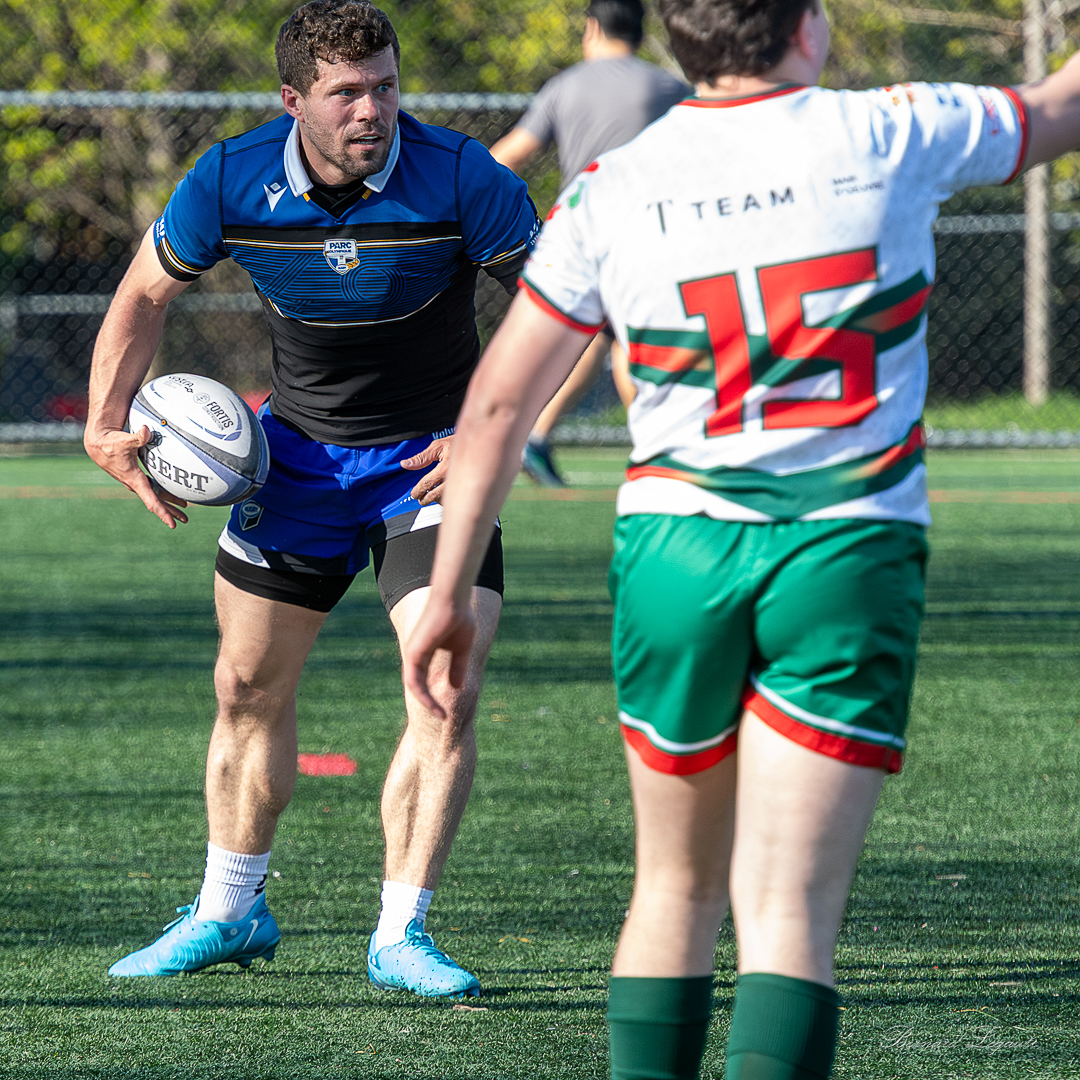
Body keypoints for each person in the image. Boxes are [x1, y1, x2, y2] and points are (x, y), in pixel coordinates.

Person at [404, 0, 1080, 1072]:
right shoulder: (890, 127)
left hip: (676, 547)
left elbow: (495, 405)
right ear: (808, 29)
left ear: (681, 41)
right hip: (844, 547)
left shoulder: (613, 185)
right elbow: (1058, 107)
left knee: (672, 888)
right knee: (789, 917)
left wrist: (445, 588)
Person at [84, 0, 540, 998]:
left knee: (445, 680)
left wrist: (488, 436)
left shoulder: (464, 176)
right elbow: (143, 294)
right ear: (294, 99)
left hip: (428, 464)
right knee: (245, 686)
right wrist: (103, 421)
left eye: (383, 85)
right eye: (344, 92)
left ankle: (402, 932)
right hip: (292, 461)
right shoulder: (231, 178)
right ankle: (228, 909)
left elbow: (563, 312)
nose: (370, 108)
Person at [489, 0, 686, 487]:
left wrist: (465, 205)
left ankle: (536, 434)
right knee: (624, 337)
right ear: (641, 33)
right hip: (650, 236)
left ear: (593, 28)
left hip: (575, 236)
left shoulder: (566, 84)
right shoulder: (670, 88)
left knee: (603, 336)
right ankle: (653, 443)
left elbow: (509, 155)